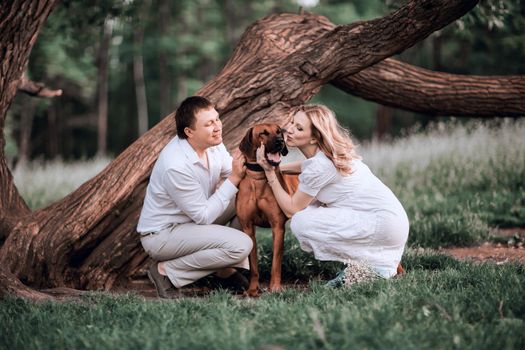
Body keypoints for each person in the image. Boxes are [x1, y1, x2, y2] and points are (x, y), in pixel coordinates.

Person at [256, 104, 409, 285]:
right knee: (315, 205)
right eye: (291, 122)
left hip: (381, 225)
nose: (288, 130)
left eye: (299, 128)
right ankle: (373, 264)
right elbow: (306, 166)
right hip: (392, 222)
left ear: (314, 138)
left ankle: (376, 269)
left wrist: (270, 174)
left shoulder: (320, 167)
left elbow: (291, 209)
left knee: (301, 222)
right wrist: (277, 166)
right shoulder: (328, 153)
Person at [137, 96, 253, 298]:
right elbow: (204, 216)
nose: (218, 127)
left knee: (246, 197)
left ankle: (224, 271)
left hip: (193, 219)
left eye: (217, 119)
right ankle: (166, 272)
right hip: (164, 235)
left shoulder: (212, 142)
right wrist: (234, 179)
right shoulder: (176, 165)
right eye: (209, 124)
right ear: (189, 132)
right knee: (241, 245)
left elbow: (231, 171)